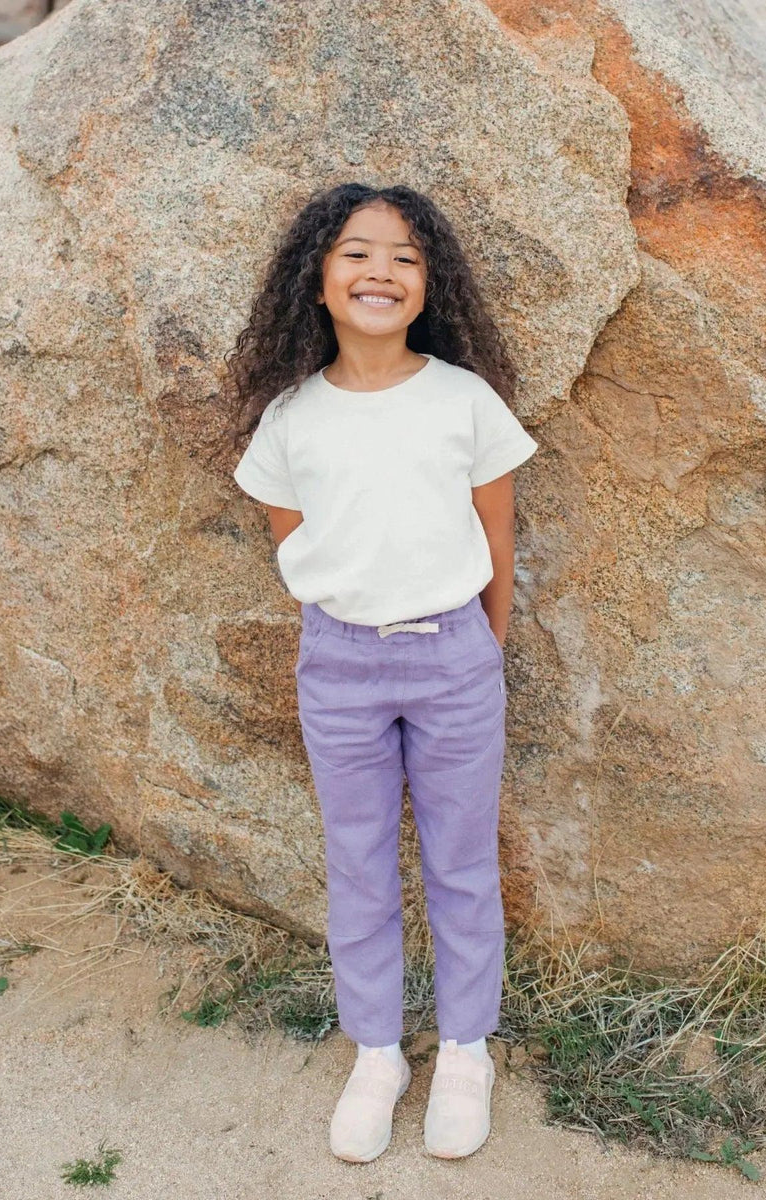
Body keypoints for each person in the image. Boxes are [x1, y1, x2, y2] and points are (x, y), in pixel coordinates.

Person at [226, 182, 538, 1163]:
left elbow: (498, 541)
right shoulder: (291, 419)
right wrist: (346, 628)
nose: (381, 272)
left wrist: (479, 649)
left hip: (454, 657)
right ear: (317, 279)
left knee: (461, 862)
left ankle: (465, 1052)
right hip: (339, 664)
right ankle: (376, 1053)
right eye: (357, 253)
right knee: (357, 862)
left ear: (429, 285)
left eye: (405, 257)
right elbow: (294, 546)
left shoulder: (464, 401)